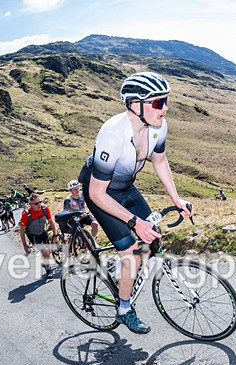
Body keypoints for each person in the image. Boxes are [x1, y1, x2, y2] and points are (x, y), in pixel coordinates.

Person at [79, 71, 193, 334]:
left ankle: (123, 273)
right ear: (135, 104)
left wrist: (177, 199)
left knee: (152, 236)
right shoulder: (112, 136)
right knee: (132, 253)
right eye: (158, 102)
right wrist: (134, 222)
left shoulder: (158, 126)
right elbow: (97, 194)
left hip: (127, 187)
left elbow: (160, 161)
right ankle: (123, 309)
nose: (165, 108)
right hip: (100, 193)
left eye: (166, 101)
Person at [20, 193, 59, 274]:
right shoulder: (26, 214)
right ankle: (48, 269)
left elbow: (51, 222)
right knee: (45, 251)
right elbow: (22, 231)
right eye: (36, 203)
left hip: (42, 232)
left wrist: (55, 235)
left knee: (48, 251)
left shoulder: (45, 209)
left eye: (40, 202)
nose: (39, 205)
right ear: (31, 204)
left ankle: (45, 263)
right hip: (32, 235)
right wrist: (25, 245)